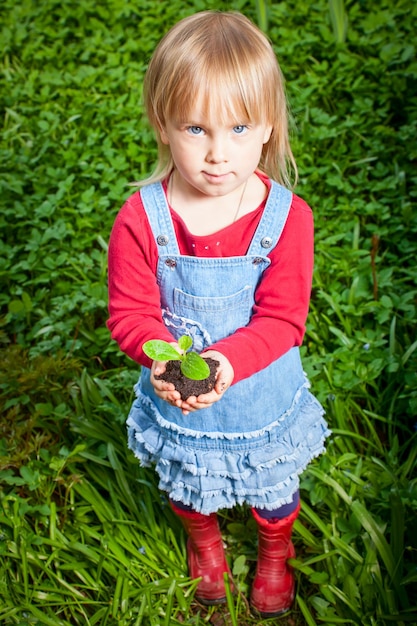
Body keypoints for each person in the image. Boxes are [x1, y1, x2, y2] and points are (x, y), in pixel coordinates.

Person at [107, 10, 330, 618]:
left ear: (267, 128)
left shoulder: (287, 219)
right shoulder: (141, 218)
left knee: (274, 489)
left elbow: (283, 321)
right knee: (189, 485)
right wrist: (162, 357)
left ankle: (274, 550)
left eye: (237, 126)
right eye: (195, 128)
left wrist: (226, 363)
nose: (216, 153)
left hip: (260, 396)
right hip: (180, 396)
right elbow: (130, 313)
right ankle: (204, 542)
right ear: (162, 124)